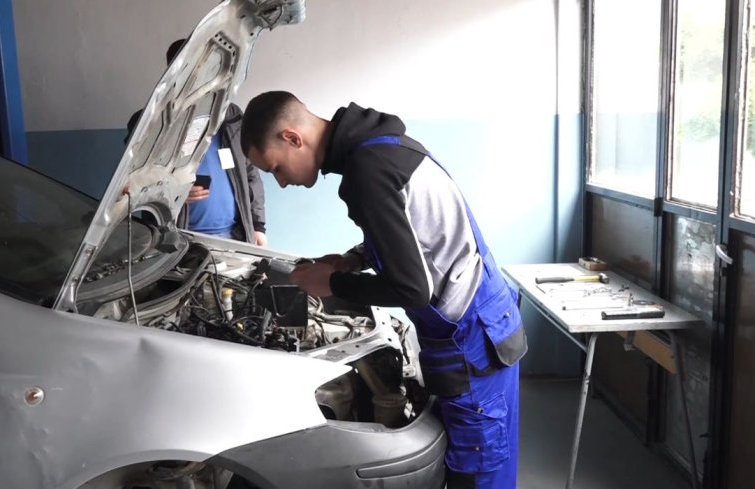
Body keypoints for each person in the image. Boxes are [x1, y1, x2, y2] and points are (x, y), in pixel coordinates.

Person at [239, 91, 527, 489]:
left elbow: (413, 290)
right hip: (484, 322)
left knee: (479, 472)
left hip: (471, 341)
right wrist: (353, 259)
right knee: (485, 463)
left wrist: (332, 283)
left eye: (275, 169)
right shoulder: (382, 146)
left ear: (292, 138)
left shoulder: (367, 170)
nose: (282, 182)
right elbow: (415, 235)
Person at [125, 39, 267, 245]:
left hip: (234, 237)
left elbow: (251, 174)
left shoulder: (231, 115)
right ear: (174, 73)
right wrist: (171, 192)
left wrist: (257, 226)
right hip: (177, 242)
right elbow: (132, 183)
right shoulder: (150, 122)